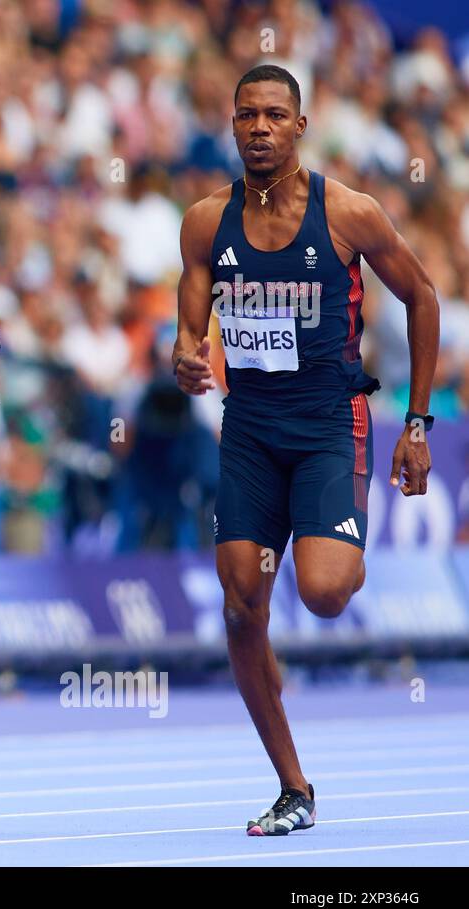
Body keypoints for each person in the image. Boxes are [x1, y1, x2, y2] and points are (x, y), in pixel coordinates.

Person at [173, 65, 439, 835]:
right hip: (250, 429)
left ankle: (338, 539)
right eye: (246, 115)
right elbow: (188, 338)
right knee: (239, 606)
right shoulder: (203, 224)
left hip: (329, 423)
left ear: (300, 127)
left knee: (323, 595)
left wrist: (416, 424)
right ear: (232, 126)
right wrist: (187, 358)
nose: (258, 127)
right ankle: (295, 786)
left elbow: (422, 297)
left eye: (274, 115)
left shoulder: (348, 213)